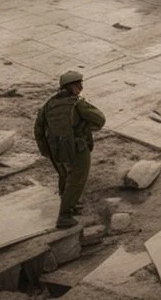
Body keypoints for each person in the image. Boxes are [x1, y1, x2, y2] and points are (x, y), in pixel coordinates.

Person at [34, 70, 106, 228]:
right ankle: (65, 216)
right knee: (77, 180)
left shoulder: (49, 104)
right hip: (77, 148)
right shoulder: (77, 103)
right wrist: (85, 125)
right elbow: (100, 119)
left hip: (55, 149)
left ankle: (69, 205)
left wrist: (45, 149)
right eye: (79, 84)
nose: (81, 87)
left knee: (65, 176)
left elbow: (38, 128)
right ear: (72, 86)